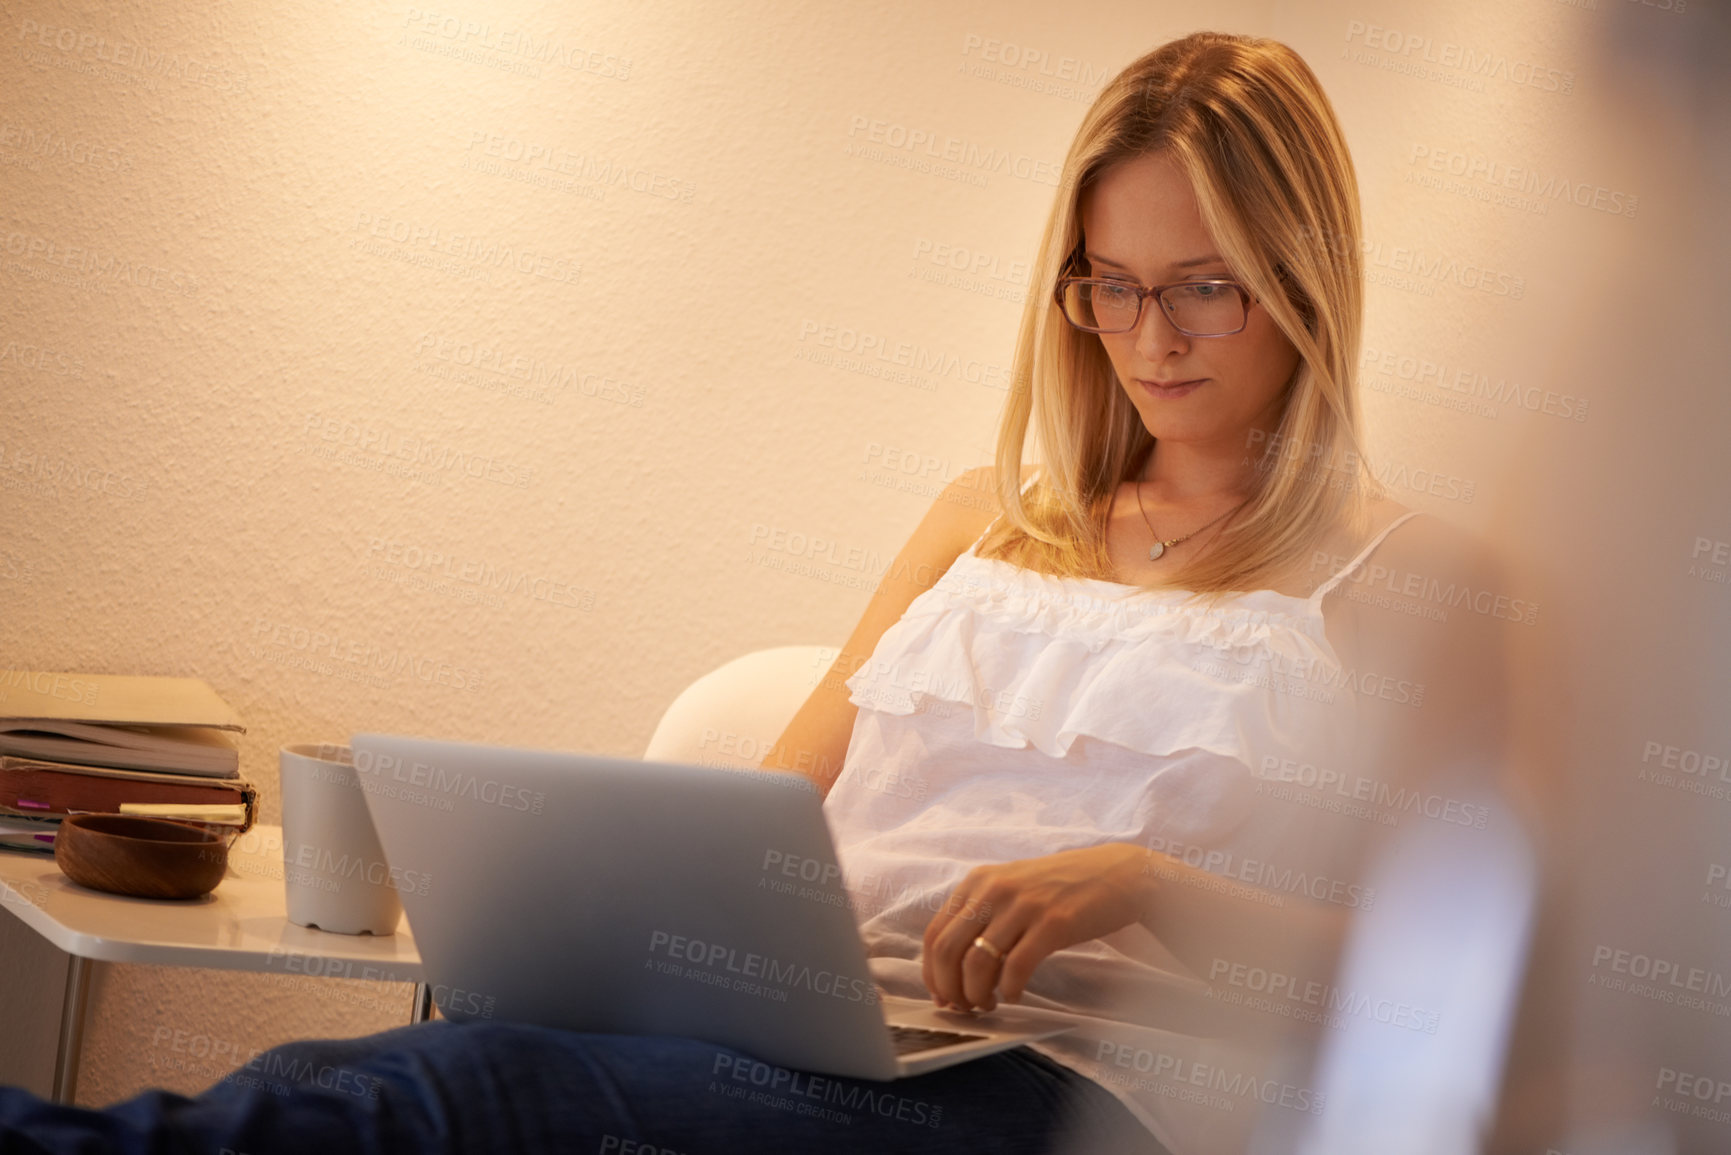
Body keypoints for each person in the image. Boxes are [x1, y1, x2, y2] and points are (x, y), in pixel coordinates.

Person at [0, 30, 1504, 1155]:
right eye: (1109, 283)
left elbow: (1467, 991)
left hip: (1066, 1096)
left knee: (481, 1099)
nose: (1148, 335)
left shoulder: (1413, 581)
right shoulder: (987, 520)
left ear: (1307, 279)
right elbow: (771, 817)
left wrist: (1148, 886)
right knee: (331, 1085)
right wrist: (588, 925)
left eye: (1204, 285)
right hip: (818, 1028)